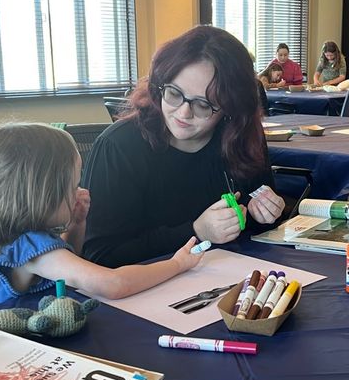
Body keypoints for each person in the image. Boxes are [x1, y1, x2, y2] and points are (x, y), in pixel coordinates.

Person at [82, 25, 285, 268]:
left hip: (233, 278)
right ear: (160, 85)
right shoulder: (119, 146)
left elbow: (258, 226)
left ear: (231, 110)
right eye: (174, 93)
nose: (183, 112)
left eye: (203, 104)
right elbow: (100, 256)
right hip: (147, 291)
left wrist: (264, 212)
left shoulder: (240, 136)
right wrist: (196, 231)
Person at [0, 123, 204, 309]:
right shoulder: (31, 248)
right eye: (72, 185)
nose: (79, 191)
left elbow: (69, 263)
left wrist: (76, 223)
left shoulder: (9, 240)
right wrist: (177, 264)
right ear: (43, 195)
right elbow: (114, 284)